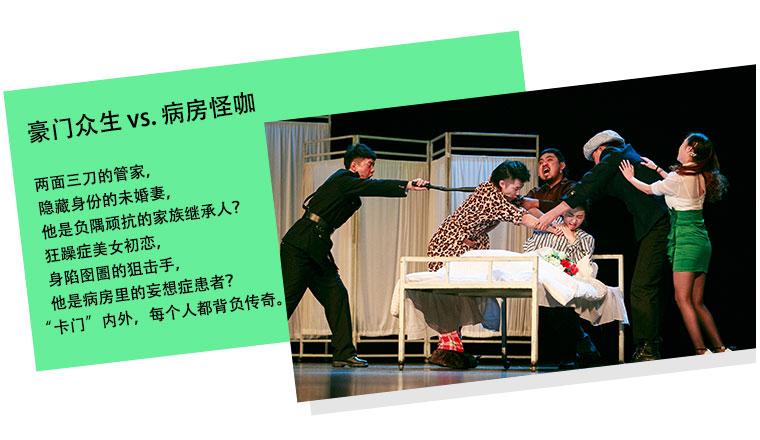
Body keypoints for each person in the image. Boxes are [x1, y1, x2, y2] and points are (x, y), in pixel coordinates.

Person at [280, 143, 428, 367]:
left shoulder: (350, 191)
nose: (372, 170)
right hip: (300, 245)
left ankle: (343, 353)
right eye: (369, 165)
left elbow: (365, 189)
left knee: (337, 296)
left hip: (317, 248)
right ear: (353, 166)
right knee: (288, 299)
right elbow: (373, 186)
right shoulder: (342, 178)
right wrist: (407, 184)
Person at [536, 130, 670, 362]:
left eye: (595, 160)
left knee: (642, 288)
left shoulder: (615, 155)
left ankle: (648, 349)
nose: (596, 164)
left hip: (658, 224)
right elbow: (590, 193)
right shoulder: (624, 158)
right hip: (656, 224)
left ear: (599, 150)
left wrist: (550, 216)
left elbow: (588, 184)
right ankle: (649, 346)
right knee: (648, 287)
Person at [410, 160, 544, 369]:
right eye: (516, 188)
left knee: (459, 297)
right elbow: (522, 217)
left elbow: (529, 208)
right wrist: (552, 228)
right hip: (449, 244)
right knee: (449, 295)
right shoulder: (491, 197)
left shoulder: (501, 194)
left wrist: (552, 219)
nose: (518, 192)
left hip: (466, 246)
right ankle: (448, 350)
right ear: (502, 183)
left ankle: (449, 350)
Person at [619, 133, 729, 355]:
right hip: (701, 241)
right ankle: (721, 349)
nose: (679, 146)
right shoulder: (700, 174)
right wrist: (657, 168)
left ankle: (701, 351)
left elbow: (650, 189)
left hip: (686, 241)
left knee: (682, 299)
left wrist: (630, 178)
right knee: (697, 301)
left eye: (682, 143)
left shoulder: (678, 178)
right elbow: (673, 182)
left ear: (690, 150)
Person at [521, 148, 600, 367]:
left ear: (562, 165)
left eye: (550, 160)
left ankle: (579, 348)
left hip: (568, 252)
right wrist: (539, 215)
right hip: (544, 248)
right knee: (549, 306)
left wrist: (537, 205)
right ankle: (579, 347)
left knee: (560, 303)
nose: (544, 165)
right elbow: (525, 209)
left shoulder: (572, 187)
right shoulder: (536, 191)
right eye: (540, 162)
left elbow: (571, 205)